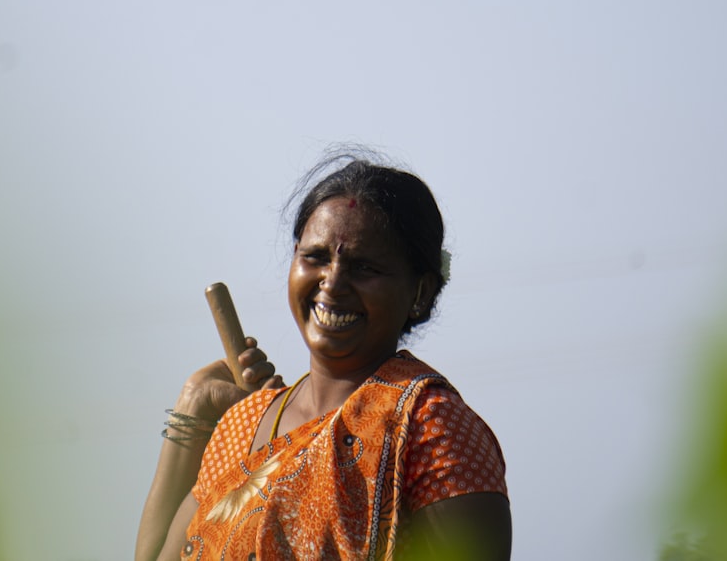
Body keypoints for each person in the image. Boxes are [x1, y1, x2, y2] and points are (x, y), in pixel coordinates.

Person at [136, 155, 511, 560]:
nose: (331, 284)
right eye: (315, 257)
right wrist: (192, 411)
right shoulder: (243, 425)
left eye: (364, 268)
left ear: (419, 293)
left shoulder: (430, 427)